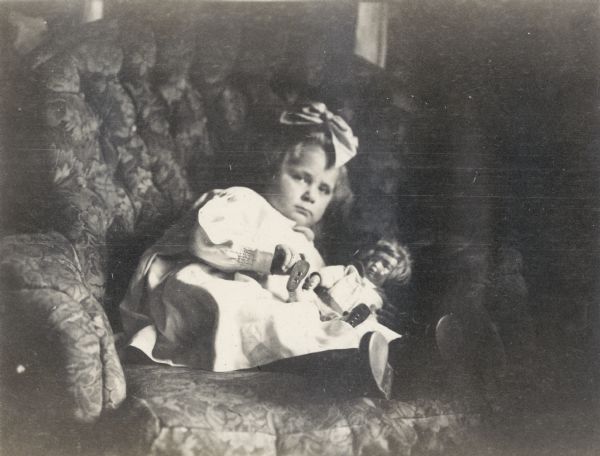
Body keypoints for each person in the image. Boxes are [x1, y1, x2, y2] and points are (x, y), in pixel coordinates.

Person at [119, 102, 395, 398]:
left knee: (318, 318)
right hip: (200, 287)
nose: (310, 195)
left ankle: (373, 356)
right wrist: (264, 260)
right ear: (273, 167)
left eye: (323, 189)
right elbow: (203, 242)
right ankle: (338, 362)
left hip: (269, 305)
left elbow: (305, 293)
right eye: (301, 177)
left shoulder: (306, 244)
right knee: (244, 304)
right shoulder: (244, 201)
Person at [288, 239, 412, 338]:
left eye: (386, 265)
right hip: (320, 303)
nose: (376, 264)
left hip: (340, 319)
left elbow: (372, 320)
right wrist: (317, 278)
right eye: (375, 259)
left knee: (349, 329)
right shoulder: (351, 271)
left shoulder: (379, 300)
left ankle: (349, 324)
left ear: (392, 275)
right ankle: (296, 285)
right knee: (305, 303)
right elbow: (332, 273)